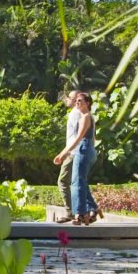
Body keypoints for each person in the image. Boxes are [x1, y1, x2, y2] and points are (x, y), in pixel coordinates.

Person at [53, 92, 102, 225]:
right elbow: (92, 137)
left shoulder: (84, 116)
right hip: (84, 149)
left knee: (76, 184)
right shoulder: (86, 116)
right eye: (76, 100)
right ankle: (89, 211)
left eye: (79, 100)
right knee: (79, 183)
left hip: (80, 150)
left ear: (88, 103)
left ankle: (79, 214)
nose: (77, 102)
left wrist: (64, 153)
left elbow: (79, 137)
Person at [55, 90, 81, 223]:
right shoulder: (76, 113)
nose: (66, 99)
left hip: (73, 153)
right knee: (76, 183)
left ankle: (71, 212)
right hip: (74, 152)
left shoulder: (76, 114)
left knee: (63, 181)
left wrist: (65, 153)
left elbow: (78, 136)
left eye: (69, 97)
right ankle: (81, 212)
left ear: (76, 99)